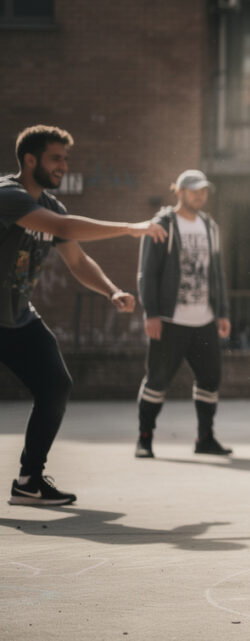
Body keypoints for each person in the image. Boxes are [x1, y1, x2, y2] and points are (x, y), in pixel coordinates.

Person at [2, 125, 166, 506]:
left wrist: (111, 291)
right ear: (30, 160)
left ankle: (29, 479)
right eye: (55, 158)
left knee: (55, 385)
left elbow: (76, 259)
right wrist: (129, 228)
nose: (63, 166)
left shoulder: (52, 205)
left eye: (65, 159)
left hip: (17, 317)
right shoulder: (8, 196)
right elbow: (61, 228)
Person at [134, 170, 232, 459]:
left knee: (210, 378)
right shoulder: (162, 225)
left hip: (204, 319)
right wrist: (151, 313)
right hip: (170, 319)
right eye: (194, 190)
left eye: (203, 191)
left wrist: (222, 312)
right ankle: (144, 438)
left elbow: (217, 272)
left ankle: (205, 438)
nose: (200, 195)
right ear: (179, 191)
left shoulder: (209, 226)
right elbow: (147, 273)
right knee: (157, 380)